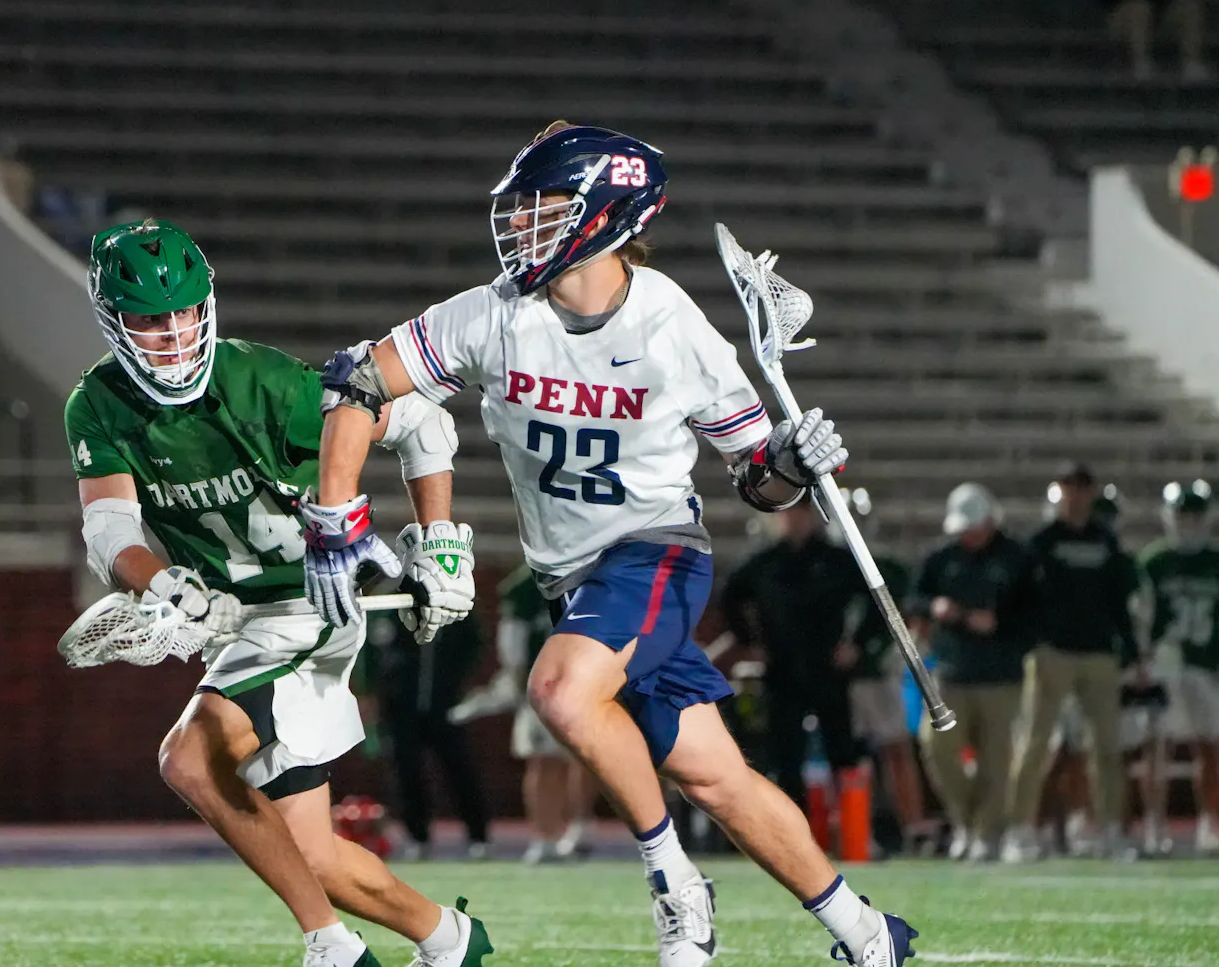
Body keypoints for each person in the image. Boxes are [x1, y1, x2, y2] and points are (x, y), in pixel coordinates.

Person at [301, 122, 918, 967]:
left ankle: (676, 885)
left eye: (545, 205)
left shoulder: (670, 324)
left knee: (559, 692)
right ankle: (870, 933)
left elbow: (757, 481)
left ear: (610, 214)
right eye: (520, 206)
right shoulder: (495, 313)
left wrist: (792, 461)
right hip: (570, 578)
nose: (521, 223)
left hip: (654, 551)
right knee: (714, 776)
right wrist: (337, 515)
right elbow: (358, 379)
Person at [64, 219, 493, 967]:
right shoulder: (99, 404)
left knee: (189, 760)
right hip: (240, 625)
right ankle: (449, 938)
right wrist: (168, 585)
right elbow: (110, 533)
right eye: (150, 320)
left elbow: (422, 423)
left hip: (312, 604)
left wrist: (441, 542)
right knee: (311, 856)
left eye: (184, 312)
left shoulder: (262, 381)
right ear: (113, 321)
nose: (174, 335)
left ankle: (332, 948)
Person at [1003, 463, 1138, 863]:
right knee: (1035, 744)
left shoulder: (1106, 540)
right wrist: (1034, 641)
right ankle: (1020, 830)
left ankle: (1110, 829)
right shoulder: (1042, 541)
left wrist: (1129, 649)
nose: (1076, 495)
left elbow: (1119, 600)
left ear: (1092, 493)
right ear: (1059, 491)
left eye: (1082, 488)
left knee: (1107, 747)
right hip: (1053, 653)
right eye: (1069, 487)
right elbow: (1019, 597)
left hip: (1098, 653)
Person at [908, 483, 1030, 862]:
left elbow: (1037, 612)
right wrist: (936, 607)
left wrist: (1000, 623)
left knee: (996, 761)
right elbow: (915, 598)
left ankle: (986, 834)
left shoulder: (1017, 558)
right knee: (937, 747)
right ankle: (964, 821)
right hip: (951, 672)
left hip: (1001, 675)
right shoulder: (942, 557)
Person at [718, 503, 864, 814]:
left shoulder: (837, 561)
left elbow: (875, 599)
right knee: (785, 756)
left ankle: (852, 826)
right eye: (788, 515)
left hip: (828, 668)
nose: (794, 521)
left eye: (800, 514)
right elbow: (731, 598)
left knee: (842, 753)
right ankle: (794, 827)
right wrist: (750, 642)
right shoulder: (764, 562)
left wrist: (857, 644)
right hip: (782, 669)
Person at [449, 565, 596, 864]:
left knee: (585, 760)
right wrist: (518, 679)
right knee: (544, 760)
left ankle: (577, 827)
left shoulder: (593, 573)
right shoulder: (526, 587)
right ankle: (545, 835)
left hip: (586, 683)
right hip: (544, 685)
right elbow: (513, 642)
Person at [833, 489, 929, 854]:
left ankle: (912, 826)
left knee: (896, 749)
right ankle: (855, 831)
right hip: (839, 678)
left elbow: (903, 618)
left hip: (877, 672)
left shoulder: (887, 567)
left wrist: (872, 650)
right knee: (851, 757)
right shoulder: (825, 564)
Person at [360, 610, 491, 861]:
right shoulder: (389, 604)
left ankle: (478, 836)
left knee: (460, 770)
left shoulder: (452, 603)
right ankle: (417, 837)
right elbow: (369, 651)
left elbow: (474, 643)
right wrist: (371, 690)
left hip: (445, 705)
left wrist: (458, 678)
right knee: (406, 773)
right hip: (400, 707)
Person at [1138, 481, 1219, 856]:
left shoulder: (1215, 561)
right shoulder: (1153, 562)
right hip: (1164, 663)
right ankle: (1154, 825)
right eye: (1182, 514)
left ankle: (1210, 822)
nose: (1188, 522)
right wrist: (1143, 656)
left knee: (1210, 748)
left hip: (1206, 664)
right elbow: (1139, 616)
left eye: (1194, 515)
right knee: (1158, 748)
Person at [1097, 0, 1206, 81]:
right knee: (1140, 7)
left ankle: (1192, 63)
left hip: (1157, 10)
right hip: (1123, 15)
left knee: (1189, 7)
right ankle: (1141, 64)